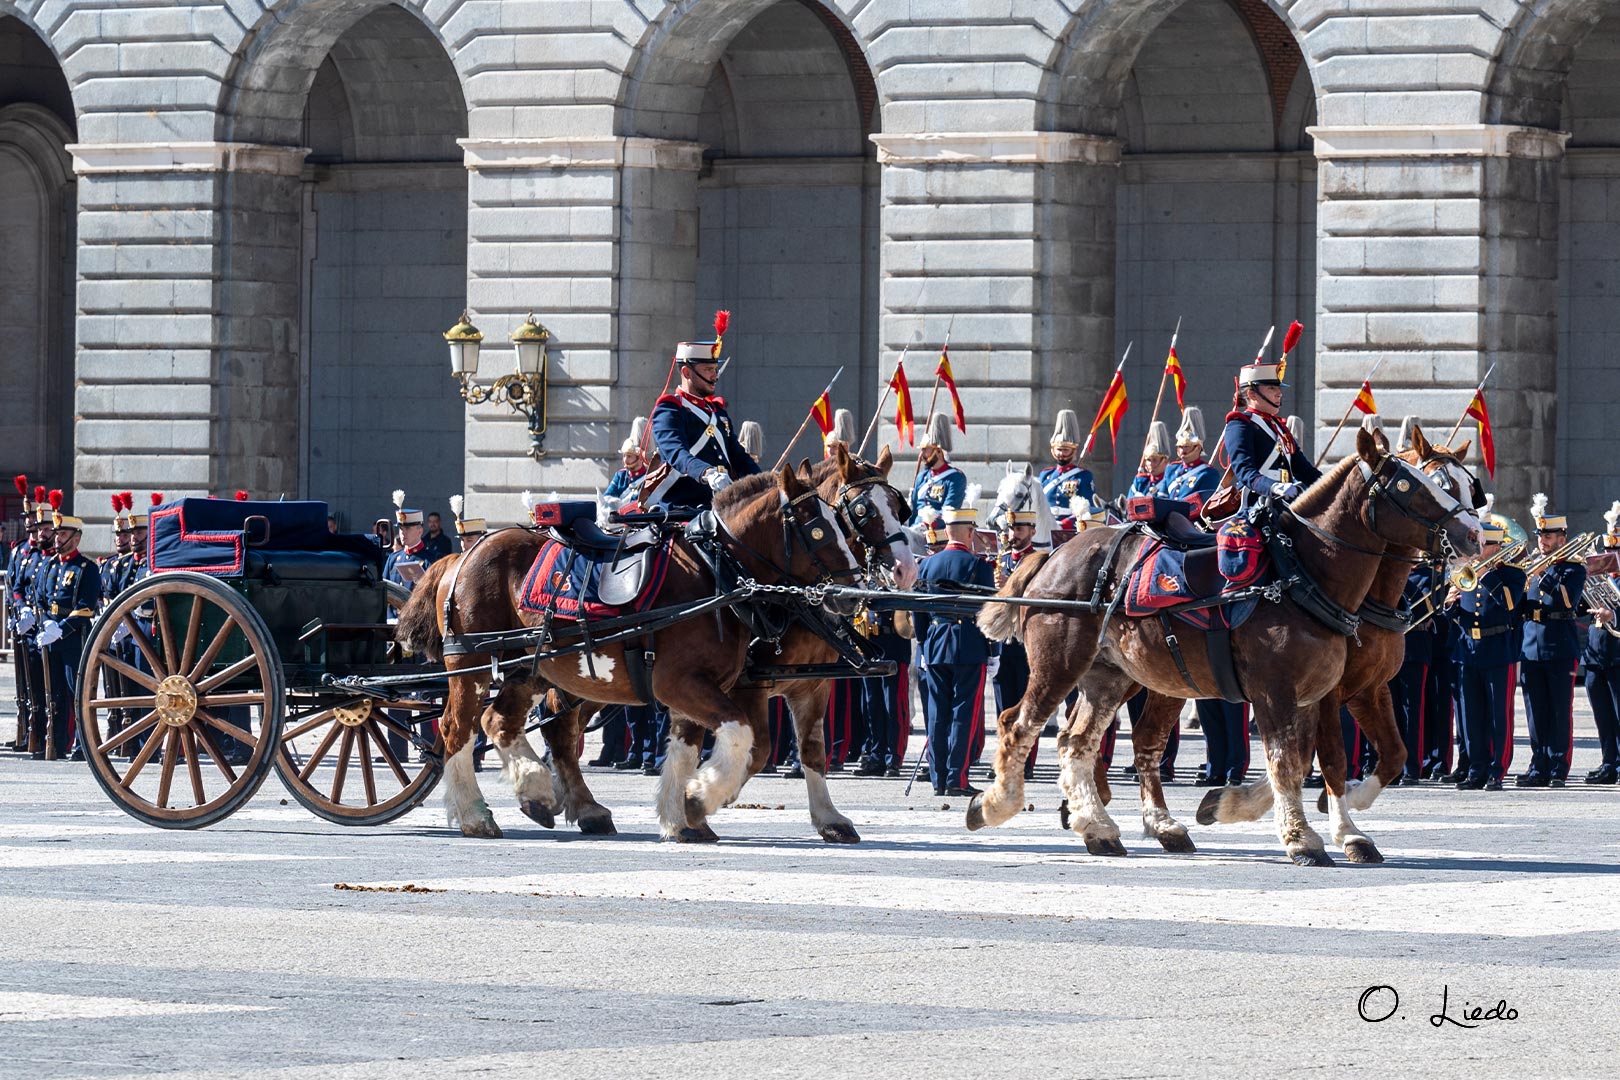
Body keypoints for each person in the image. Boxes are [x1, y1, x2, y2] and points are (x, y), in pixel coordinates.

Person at [913, 492, 993, 797]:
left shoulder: (926, 565)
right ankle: (956, 779)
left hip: (934, 643)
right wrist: (994, 651)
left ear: (946, 531)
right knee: (963, 713)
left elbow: (918, 609)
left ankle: (938, 780)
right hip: (969, 644)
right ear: (970, 531)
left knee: (937, 713)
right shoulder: (980, 566)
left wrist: (923, 643)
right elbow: (989, 610)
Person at [646, 318, 759, 509]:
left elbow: (739, 457)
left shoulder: (717, 412)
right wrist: (706, 472)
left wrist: (767, 480)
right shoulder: (670, 410)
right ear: (686, 372)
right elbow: (676, 453)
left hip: (722, 506)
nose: (715, 376)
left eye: (715, 369)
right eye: (708, 370)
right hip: (682, 506)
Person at [1447, 523, 1526, 790]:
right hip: (1468, 649)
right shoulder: (1466, 572)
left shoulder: (1512, 574)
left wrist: (1487, 575)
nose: (1478, 551)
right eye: (1477, 545)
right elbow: (1459, 615)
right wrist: (1450, 605)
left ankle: (1497, 769)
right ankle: (1476, 768)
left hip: (1498, 649)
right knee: (1471, 715)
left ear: (1497, 546)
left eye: (1484, 546)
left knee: (1498, 714)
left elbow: (1510, 604)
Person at [1516, 495, 1586, 788]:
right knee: (1535, 711)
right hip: (1531, 646)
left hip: (1560, 646)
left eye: (1548, 536)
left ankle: (1558, 766)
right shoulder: (1531, 567)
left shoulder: (1573, 568)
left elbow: (1568, 602)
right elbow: (1519, 606)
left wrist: (1543, 574)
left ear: (1561, 538)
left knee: (1559, 710)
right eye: (1540, 535)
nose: (1542, 541)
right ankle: (1538, 765)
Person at [36, 496, 101, 760]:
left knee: (77, 692)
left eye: (63, 534)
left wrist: (61, 627)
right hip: (51, 634)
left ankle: (83, 744)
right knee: (54, 693)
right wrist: (46, 622)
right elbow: (40, 599)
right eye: (57, 533)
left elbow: (87, 606)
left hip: (74, 636)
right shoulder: (50, 565)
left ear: (76, 538)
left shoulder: (87, 568)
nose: (57, 539)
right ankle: (59, 742)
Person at [1221, 351, 1320, 506]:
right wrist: (1273, 487)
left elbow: (1306, 471)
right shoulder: (1240, 424)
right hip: (1255, 504)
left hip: (1287, 502)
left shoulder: (1280, 428)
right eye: (1272, 388)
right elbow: (1245, 471)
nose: (1279, 394)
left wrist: (1336, 484)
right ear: (1252, 394)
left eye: (1278, 388)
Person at [992, 509, 1040, 780]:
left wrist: (1008, 584)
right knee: (1003, 705)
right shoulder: (1000, 560)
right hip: (1003, 642)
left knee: (1027, 704)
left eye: (1020, 529)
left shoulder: (1038, 561)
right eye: (1011, 529)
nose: (1014, 534)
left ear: (1032, 531)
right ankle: (1005, 758)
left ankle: (1025, 761)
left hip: (1026, 642)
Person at [1583, 505, 1620, 784]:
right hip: (1595, 655)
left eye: (1616, 549)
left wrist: (1614, 616)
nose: (1611, 554)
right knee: (1603, 716)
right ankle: (1610, 762)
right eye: (1608, 549)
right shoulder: (1599, 577)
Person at [1156, 407, 1220, 515]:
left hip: (1191, 520)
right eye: (1180, 446)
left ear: (1198, 448)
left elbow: (1204, 505)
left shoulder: (1208, 473)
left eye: (1186, 446)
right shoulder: (1171, 469)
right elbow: (1162, 498)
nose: (1182, 450)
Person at [910, 413, 966, 525]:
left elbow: (949, 511)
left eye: (926, 450)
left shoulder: (956, 478)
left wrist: (928, 524)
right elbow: (914, 510)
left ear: (939, 451)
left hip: (938, 531)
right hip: (915, 529)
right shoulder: (922, 477)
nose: (922, 454)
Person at [1040, 409, 1093, 526]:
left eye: (1065, 450)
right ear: (1053, 450)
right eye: (1059, 449)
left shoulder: (1083, 476)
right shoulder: (1045, 475)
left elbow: (1088, 507)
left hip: (1070, 528)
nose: (1061, 453)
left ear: (1074, 451)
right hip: (1046, 525)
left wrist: (1065, 523)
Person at [604, 417, 654, 511]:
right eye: (624, 456)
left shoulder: (649, 478)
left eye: (629, 456)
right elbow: (608, 495)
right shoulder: (620, 475)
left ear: (640, 458)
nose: (625, 460)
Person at [1128, 421, 1171, 496]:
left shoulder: (1170, 482)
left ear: (1165, 461)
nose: (1151, 464)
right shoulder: (1140, 482)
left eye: (1155, 460)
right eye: (1148, 460)